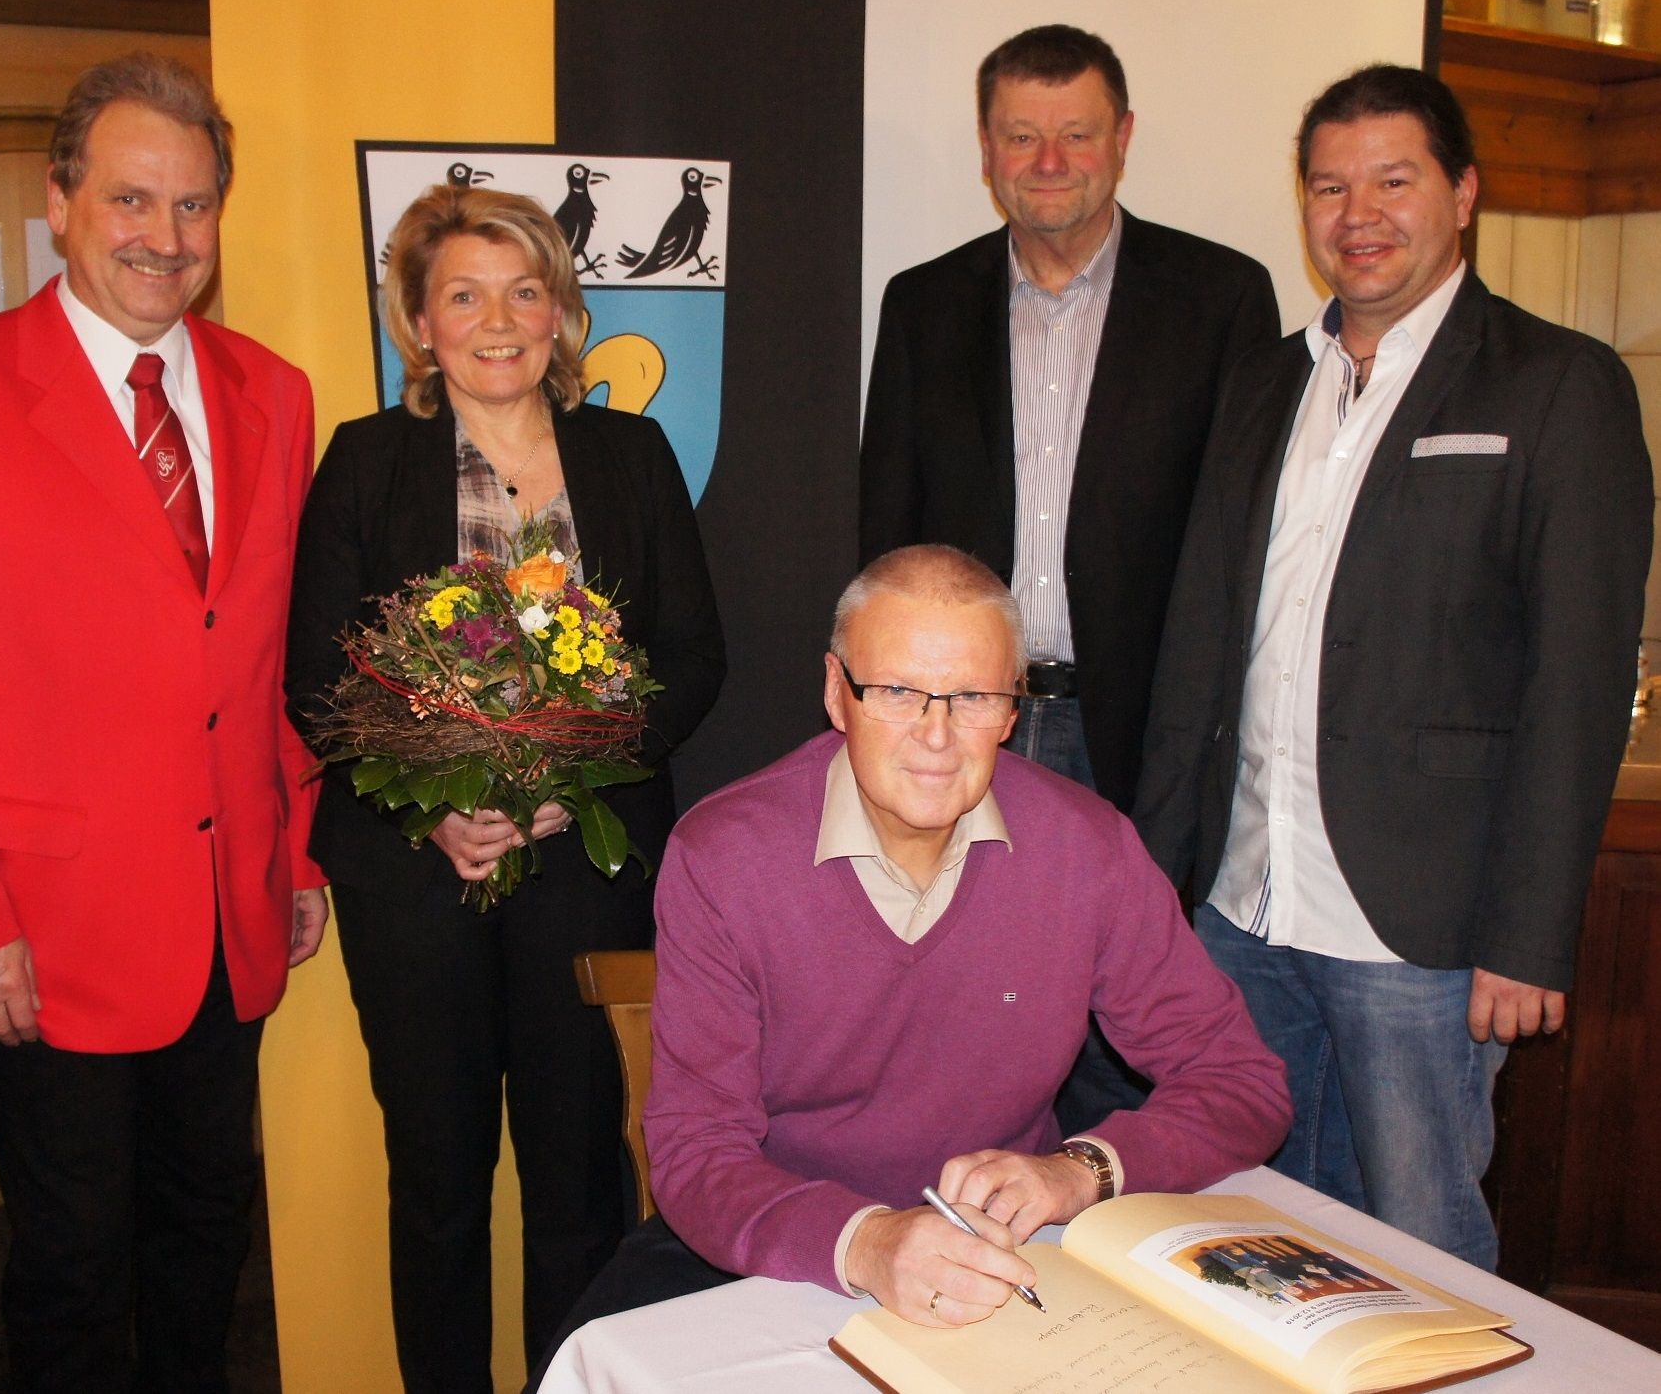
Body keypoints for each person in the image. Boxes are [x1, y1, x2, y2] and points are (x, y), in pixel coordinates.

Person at [0, 54, 326, 1392]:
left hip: (229, 909)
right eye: (131, 200)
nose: (166, 237)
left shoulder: (273, 394)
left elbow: (270, 659)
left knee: (208, 1233)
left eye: (194, 204)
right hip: (43, 932)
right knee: (72, 1264)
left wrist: (295, 852)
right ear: (59, 203)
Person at [1133, 64, 1651, 1271]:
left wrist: (1530, 935)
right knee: (1247, 1234)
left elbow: (1578, 687)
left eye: (1393, 180)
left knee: (1418, 1245)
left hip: (1425, 924)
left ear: (1463, 194)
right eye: (1329, 187)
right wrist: (1159, 880)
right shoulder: (1263, 381)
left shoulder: (1558, 384)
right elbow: (1201, 642)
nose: (1358, 213)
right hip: (1243, 902)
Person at [533, 546, 1287, 1371]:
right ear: (836, 691)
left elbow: (1240, 1083)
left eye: (972, 697)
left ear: (1012, 708)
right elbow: (696, 1152)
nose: (935, 736)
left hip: (1008, 1244)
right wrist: (865, 1240)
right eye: (896, 691)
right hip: (779, 1237)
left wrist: (1079, 1172)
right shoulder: (725, 854)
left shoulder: (1087, 847)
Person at [285, 183, 725, 1393]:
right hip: (414, 882)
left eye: (524, 292)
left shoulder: (630, 455)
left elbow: (693, 658)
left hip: (586, 865)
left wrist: (572, 778)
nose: (497, 321)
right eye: (465, 296)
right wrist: (433, 807)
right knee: (437, 1181)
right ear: (419, 324)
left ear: (560, 313)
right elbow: (318, 675)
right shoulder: (367, 461)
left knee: (579, 1178)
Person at [859, 25, 1281, 1137]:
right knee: (959, 1011)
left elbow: (1239, 546)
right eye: (1021, 136)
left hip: (1133, 732)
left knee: (1126, 1040)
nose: (1049, 162)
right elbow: (886, 537)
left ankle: (1108, 1231)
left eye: (1076, 135)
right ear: (986, 149)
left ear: (1123, 138)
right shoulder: (921, 304)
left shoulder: (1221, 299)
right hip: (961, 727)